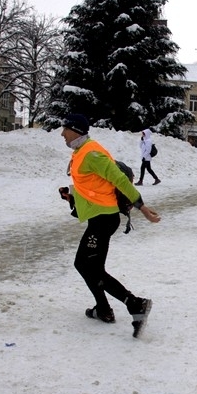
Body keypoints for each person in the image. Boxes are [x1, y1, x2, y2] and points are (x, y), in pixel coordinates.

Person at [59, 114, 161, 337]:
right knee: (91, 267)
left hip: (103, 220)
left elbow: (119, 180)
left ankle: (135, 304)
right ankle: (104, 309)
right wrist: (72, 196)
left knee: (85, 265)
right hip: (100, 217)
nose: (62, 133)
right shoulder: (80, 152)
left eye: (65, 129)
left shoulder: (91, 153)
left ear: (75, 130)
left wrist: (141, 206)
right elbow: (93, 185)